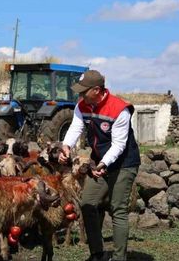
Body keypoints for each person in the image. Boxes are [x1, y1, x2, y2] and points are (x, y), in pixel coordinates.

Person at [59, 70, 140, 261]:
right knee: (88, 204)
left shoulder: (120, 110)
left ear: (96, 90)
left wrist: (104, 163)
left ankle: (119, 257)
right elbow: (76, 127)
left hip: (124, 163)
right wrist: (66, 146)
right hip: (100, 161)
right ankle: (97, 254)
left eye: (83, 91)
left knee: (117, 209)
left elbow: (119, 145)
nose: (80, 95)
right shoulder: (83, 105)